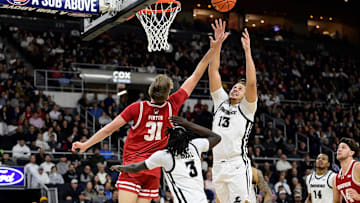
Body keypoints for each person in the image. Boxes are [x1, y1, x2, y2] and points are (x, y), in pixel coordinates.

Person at [72, 31, 229, 203]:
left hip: (133, 166)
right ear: (168, 93)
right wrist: (213, 49)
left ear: (150, 90)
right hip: (153, 168)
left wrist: (86, 144)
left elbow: (108, 129)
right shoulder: (172, 104)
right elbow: (195, 75)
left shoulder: (137, 108)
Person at [110, 116, 221, 203]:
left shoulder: (165, 156)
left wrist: (120, 167)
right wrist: (188, 124)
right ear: (186, 137)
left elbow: (135, 167)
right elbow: (216, 137)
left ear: (170, 139)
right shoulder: (195, 146)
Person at [208, 19, 258, 202]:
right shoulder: (221, 101)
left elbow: (251, 83)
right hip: (218, 164)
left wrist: (247, 51)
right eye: (234, 87)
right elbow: (213, 71)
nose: (235, 89)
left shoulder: (247, 108)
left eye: (240, 88)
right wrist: (217, 45)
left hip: (237, 164)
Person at [333, 138, 360, 203]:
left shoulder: (357, 168)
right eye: (338, 147)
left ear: (351, 152)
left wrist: (358, 197)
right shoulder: (335, 179)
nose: (339, 149)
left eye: (343, 147)